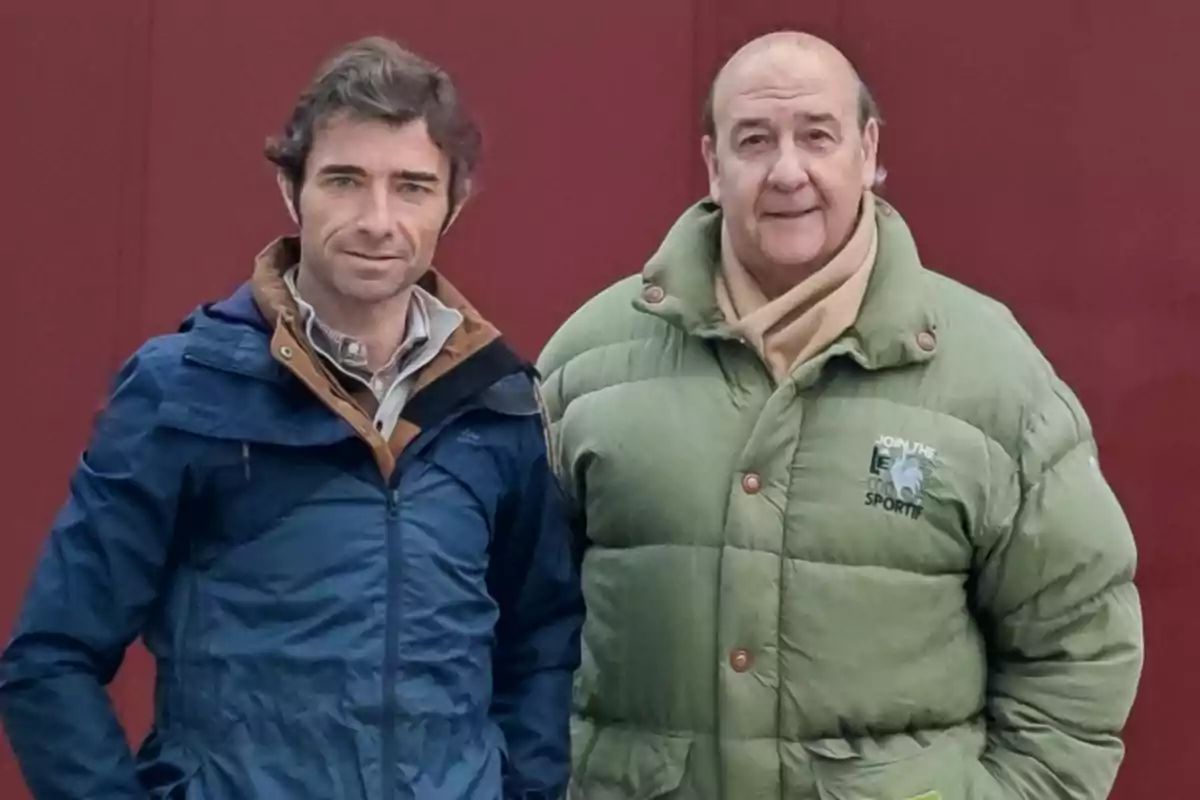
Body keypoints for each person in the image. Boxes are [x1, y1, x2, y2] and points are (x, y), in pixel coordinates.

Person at [537, 30, 1143, 800]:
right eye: (753, 140)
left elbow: (1078, 637)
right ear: (712, 165)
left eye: (817, 136)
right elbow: (517, 629)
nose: (788, 171)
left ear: (868, 150)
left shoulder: (992, 372)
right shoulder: (589, 363)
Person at [0, 36, 583, 800]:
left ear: (454, 201)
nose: (379, 220)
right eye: (345, 180)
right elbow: (50, 660)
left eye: (411, 187)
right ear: (291, 190)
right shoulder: (186, 393)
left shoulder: (496, 401)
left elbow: (541, 641)